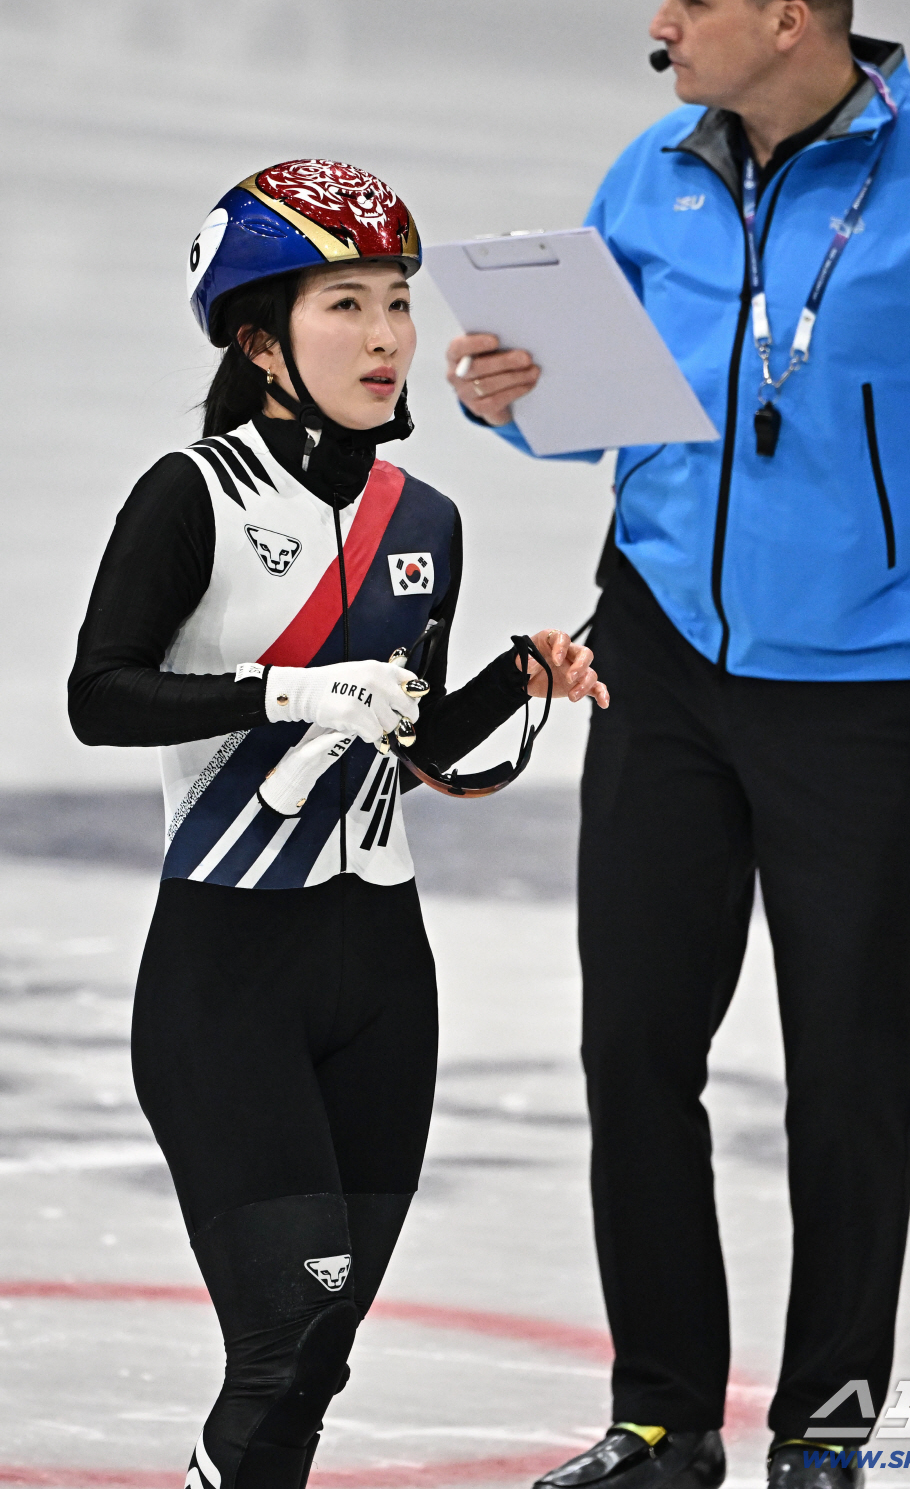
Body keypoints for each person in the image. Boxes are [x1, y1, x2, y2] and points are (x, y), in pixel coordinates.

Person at [444, 0, 910, 1486]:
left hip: (870, 692)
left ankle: (825, 1428)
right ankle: (663, 1418)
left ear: (796, 18)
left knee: (853, 1079)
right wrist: (510, 406)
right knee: (635, 1056)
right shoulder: (649, 174)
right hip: (662, 665)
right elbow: (609, 417)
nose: (658, 25)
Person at [67, 157, 607, 1489]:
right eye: (345, 306)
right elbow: (101, 695)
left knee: (320, 1358)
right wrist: (289, 687)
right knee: (284, 1328)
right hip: (230, 971)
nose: (385, 339)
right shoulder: (191, 495)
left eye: (398, 304)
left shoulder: (426, 517)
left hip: (382, 972)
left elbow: (409, 741)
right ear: (257, 337)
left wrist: (515, 681)